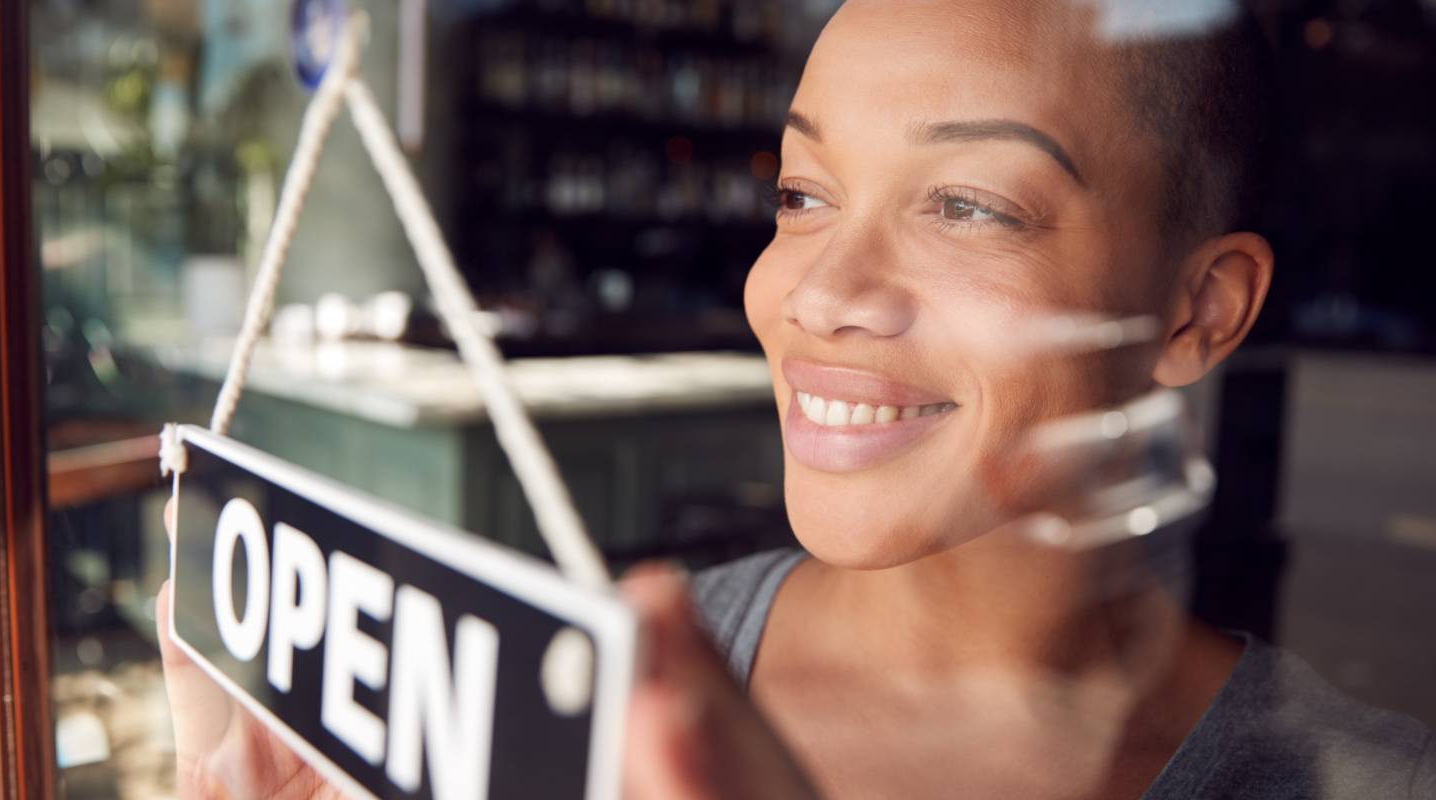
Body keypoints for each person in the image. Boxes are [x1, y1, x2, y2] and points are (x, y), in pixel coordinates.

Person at [156, 1, 1436, 797]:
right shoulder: (579, 682)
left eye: (969, 206)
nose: (818, 292)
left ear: (1198, 310)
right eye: (802, 194)